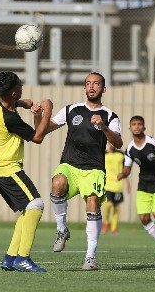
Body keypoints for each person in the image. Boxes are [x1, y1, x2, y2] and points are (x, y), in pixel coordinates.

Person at [46, 72, 123, 271]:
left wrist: (103, 127)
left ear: (103, 89)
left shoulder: (110, 116)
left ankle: (90, 257)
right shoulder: (71, 109)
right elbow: (45, 128)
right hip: (70, 164)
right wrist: (39, 115)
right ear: (84, 87)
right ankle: (62, 230)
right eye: (88, 83)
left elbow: (118, 142)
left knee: (93, 203)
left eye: (96, 84)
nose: (91, 87)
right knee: (57, 183)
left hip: (93, 168)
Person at [0, 71, 53, 272]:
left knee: (27, 209)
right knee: (36, 204)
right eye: (20, 86)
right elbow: (38, 137)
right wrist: (47, 110)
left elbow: (11, 103)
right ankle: (23, 258)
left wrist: (24, 103)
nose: (22, 86)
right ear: (14, 93)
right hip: (6, 168)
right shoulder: (9, 119)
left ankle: (10, 257)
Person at [117, 116, 155, 250]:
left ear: (144, 127)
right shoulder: (130, 149)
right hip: (144, 186)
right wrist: (123, 174)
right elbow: (127, 169)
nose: (137, 126)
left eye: (139, 124)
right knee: (144, 218)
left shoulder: (154, 143)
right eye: (134, 124)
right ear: (130, 128)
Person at [101, 142, 128, 235]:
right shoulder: (104, 154)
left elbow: (125, 170)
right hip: (107, 184)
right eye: (110, 143)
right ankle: (106, 223)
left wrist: (127, 183)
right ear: (108, 143)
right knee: (108, 204)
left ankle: (114, 228)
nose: (112, 145)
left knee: (116, 207)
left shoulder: (121, 154)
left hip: (118, 185)